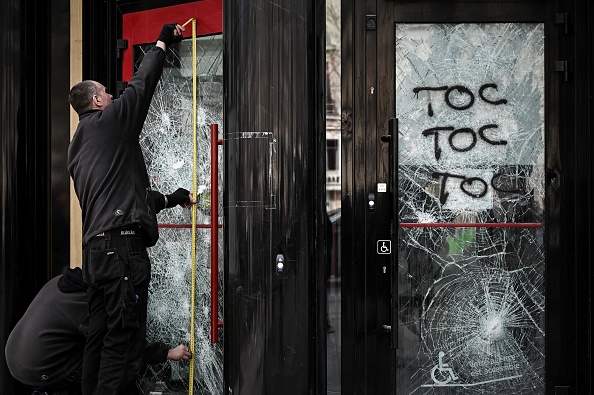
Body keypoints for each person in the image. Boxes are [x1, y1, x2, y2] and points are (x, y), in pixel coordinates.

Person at [67, 23, 191, 395]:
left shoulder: (79, 147)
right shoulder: (110, 123)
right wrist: (162, 41)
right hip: (122, 253)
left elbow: (122, 198)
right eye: (107, 92)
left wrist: (170, 198)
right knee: (120, 344)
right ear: (98, 102)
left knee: (98, 339)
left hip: (97, 257)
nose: (112, 95)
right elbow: (142, 85)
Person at [5, 268, 192, 395]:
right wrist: (166, 353)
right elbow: (118, 346)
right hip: (40, 369)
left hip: (16, 358)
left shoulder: (65, 282)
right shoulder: (88, 306)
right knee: (109, 369)